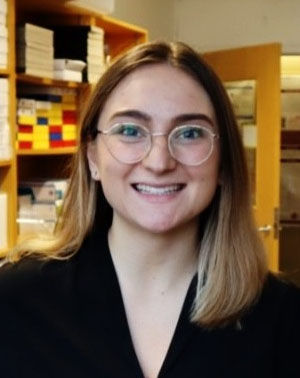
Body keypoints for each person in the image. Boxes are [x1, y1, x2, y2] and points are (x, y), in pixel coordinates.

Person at [0, 41, 299, 378]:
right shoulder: (14, 299)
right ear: (93, 157)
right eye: (130, 131)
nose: (159, 162)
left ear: (224, 163)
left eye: (189, 133)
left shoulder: (284, 317)